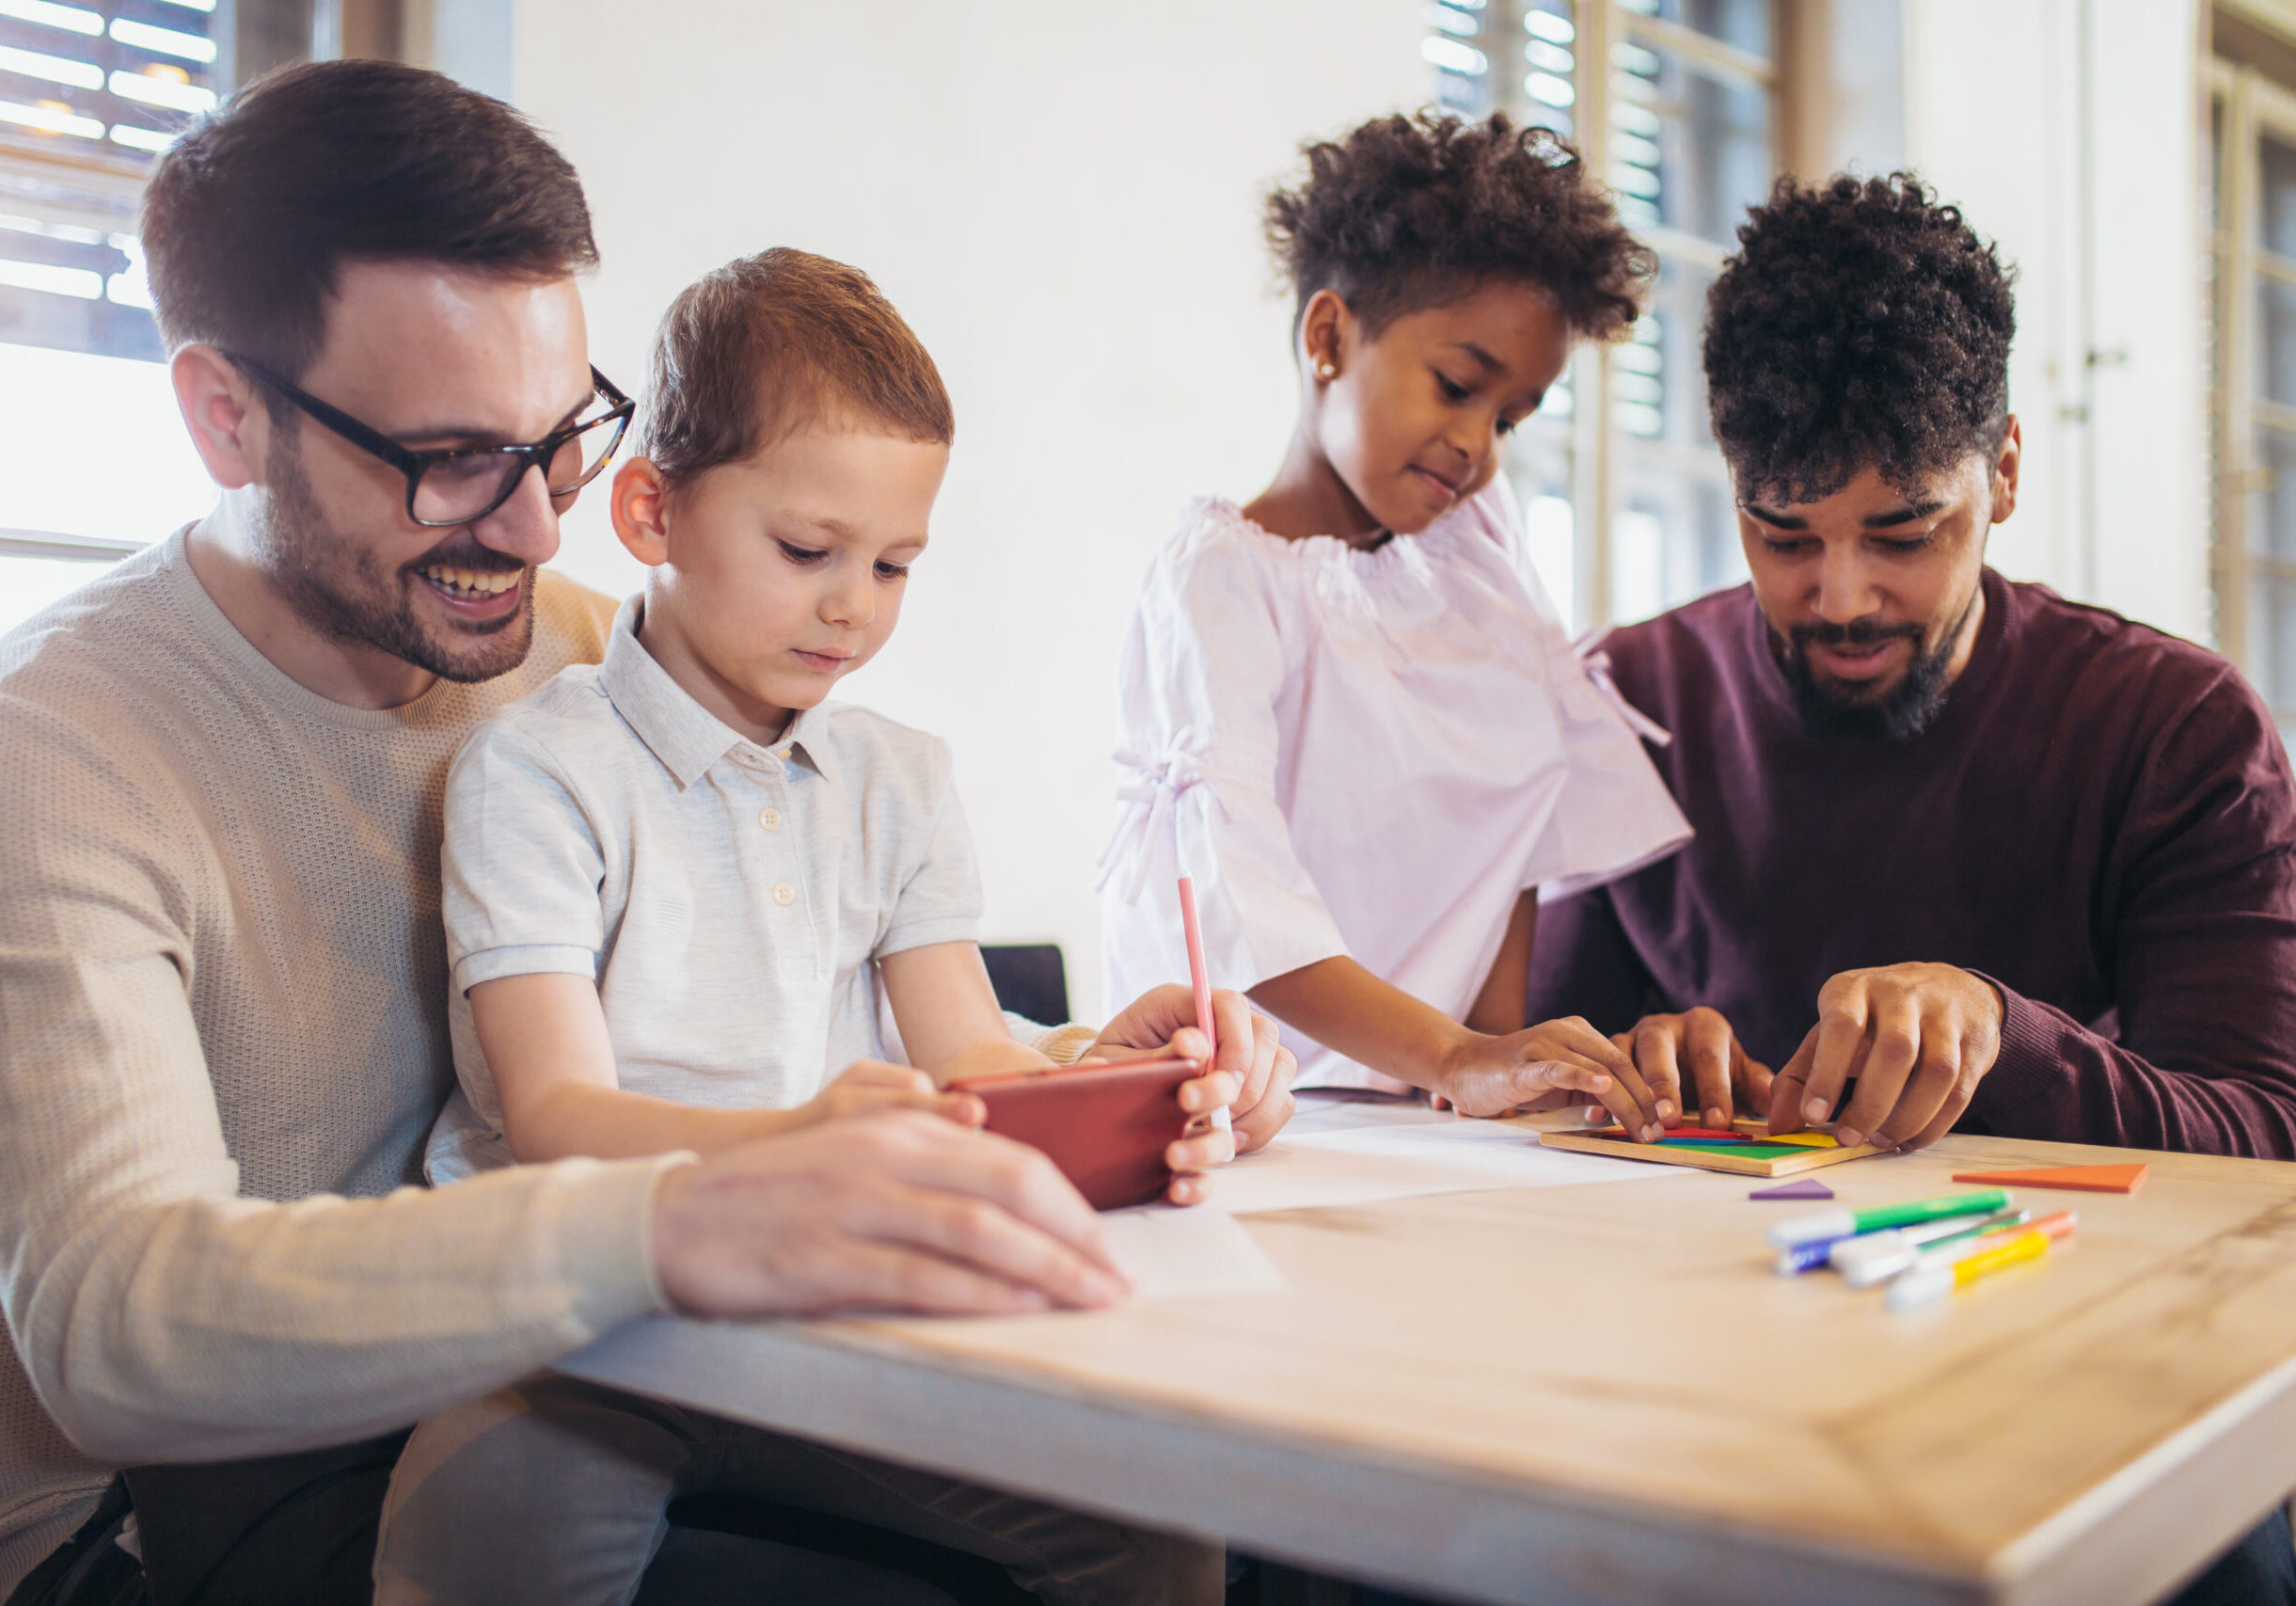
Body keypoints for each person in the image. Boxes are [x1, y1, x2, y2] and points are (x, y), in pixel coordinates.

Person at [0, 61, 1285, 1605]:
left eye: (564, 440)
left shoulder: (585, 651)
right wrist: (680, 1222)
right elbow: (122, 1334)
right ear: (225, 414)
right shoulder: (61, 748)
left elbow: (785, 1001)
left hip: (625, 1336)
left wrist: (1095, 1069)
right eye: (450, 459)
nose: (538, 530)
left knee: (1186, 1503)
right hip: (200, 1497)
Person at [369, 247, 1277, 1604]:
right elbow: (557, 1111)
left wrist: (1127, 1088)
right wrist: (810, 1139)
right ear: (650, 511)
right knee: (483, 1517)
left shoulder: (899, 779)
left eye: (896, 563)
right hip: (586, 1322)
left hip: (838, 1312)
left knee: (1159, 1534)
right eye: (808, 551)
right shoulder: (538, 773)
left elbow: (974, 1061)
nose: (854, 604)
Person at [1525, 172, 2296, 1603]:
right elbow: (1541, 1088)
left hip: (2086, 1364)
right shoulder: (1622, 698)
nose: (1839, 597)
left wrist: (2011, 1036)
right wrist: (1625, 1070)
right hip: (1710, 1357)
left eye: (1904, 532)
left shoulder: (2178, 726)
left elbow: (2267, 1139)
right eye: (1783, 533)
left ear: (2001, 471)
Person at [1099, 111, 1688, 1133]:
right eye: (1457, 387)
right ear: (1327, 337)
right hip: (1249, 1119)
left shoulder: (1476, 565)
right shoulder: (1220, 582)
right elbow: (1236, 901)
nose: (1477, 446)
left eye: (1508, 417)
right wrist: (1457, 1056)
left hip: (1432, 1124)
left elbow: (1517, 830)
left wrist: (1491, 1067)